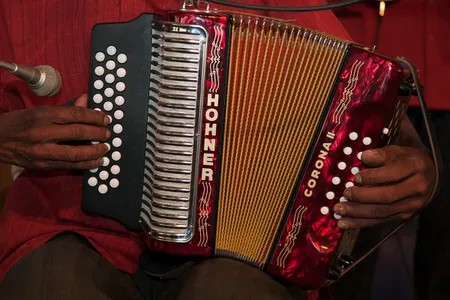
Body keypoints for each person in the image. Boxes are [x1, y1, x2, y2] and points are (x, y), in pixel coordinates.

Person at [0, 0, 437, 299]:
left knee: (234, 291)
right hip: (61, 218)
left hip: (238, 235)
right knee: (51, 285)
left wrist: (411, 161)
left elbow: (361, 85)